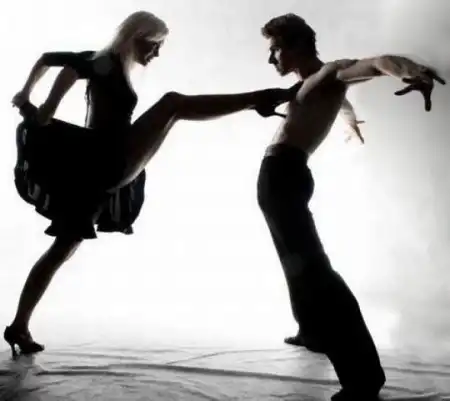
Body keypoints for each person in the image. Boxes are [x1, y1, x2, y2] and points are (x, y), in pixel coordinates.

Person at [5, 10, 300, 358]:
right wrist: (43, 106)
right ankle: (259, 98)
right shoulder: (102, 62)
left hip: (101, 170)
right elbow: (62, 69)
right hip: (108, 158)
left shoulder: (109, 64)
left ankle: (19, 325)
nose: (157, 53)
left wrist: (27, 93)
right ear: (138, 37)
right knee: (172, 104)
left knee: (62, 250)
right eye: (156, 45)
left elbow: (46, 59)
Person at [256, 13, 445, 401]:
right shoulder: (308, 85)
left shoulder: (330, 72)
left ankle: (363, 380)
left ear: (296, 45)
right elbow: (335, 104)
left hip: (286, 177)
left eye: (275, 49)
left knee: (316, 274)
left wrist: (413, 72)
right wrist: (351, 123)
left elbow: (377, 63)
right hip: (280, 181)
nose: (271, 58)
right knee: (296, 264)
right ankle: (311, 330)